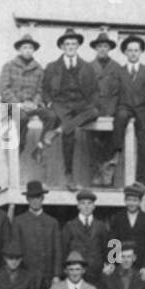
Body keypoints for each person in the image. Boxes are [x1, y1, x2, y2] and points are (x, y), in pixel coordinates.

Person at [38, 28, 100, 190]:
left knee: (94, 112)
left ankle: (57, 131)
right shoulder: (52, 67)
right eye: (67, 44)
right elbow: (44, 89)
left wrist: (90, 104)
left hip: (81, 105)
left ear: (78, 45)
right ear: (62, 47)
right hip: (61, 105)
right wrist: (49, 103)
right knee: (69, 133)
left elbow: (94, 91)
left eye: (73, 43)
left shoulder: (87, 67)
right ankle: (69, 175)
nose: (70, 46)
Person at [110, 34, 145, 186]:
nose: (133, 53)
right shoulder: (119, 71)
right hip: (125, 106)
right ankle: (116, 152)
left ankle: (140, 181)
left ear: (141, 52)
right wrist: (112, 112)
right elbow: (115, 94)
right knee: (121, 116)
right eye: (130, 50)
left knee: (144, 146)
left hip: (143, 110)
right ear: (125, 52)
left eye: (136, 50)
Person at [0, 31, 55, 155]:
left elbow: (40, 89)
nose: (28, 50)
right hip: (13, 106)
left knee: (51, 116)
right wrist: (19, 104)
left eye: (30, 48)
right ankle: (20, 146)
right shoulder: (9, 66)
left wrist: (34, 103)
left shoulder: (39, 69)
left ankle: (40, 147)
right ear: (19, 49)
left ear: (34, 50)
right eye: (24, 47)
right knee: (22, 117)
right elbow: (4, 89)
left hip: (31, 105)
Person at [12, 180, 62, 289]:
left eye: (38, 197)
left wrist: (56, 275)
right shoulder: (19, 221)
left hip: (47, 277)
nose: (35, 200)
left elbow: (57, 251)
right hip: (26, 276)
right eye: (31, 197)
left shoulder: (52, 222)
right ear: (27, 199)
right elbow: (15, 250)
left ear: (43, 198)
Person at [88, 30, 124, 186]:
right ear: (95, 49)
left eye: (105, 46)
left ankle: (108, 174)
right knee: (93, 142)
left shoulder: (117, 68)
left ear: (109, 48)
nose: (102, 49)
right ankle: (96, 172)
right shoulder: (88, 67)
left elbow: (120, 92)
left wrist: (111, 111)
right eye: (99, 46)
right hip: (94, 111)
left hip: (110, 111)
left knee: (111, 143)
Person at [61, 189, 110, 285]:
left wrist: (111, 265)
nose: (86, 206)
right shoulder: (70, 226)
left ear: (94, 206)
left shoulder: (101, 226)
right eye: (83, 203)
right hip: (75, 275)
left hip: (97, 275)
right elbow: (63, 250)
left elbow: (110, 246)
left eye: (89, 203)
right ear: (78, 206)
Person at [108, 182, 145, 278]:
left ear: (140, 202)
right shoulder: (117, 218)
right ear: (125, 201)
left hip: (139, 265)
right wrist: (112, 262)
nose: (131, 203)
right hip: (121, 264)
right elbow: (113, 241)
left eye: (135, 200)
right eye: (129, 200)